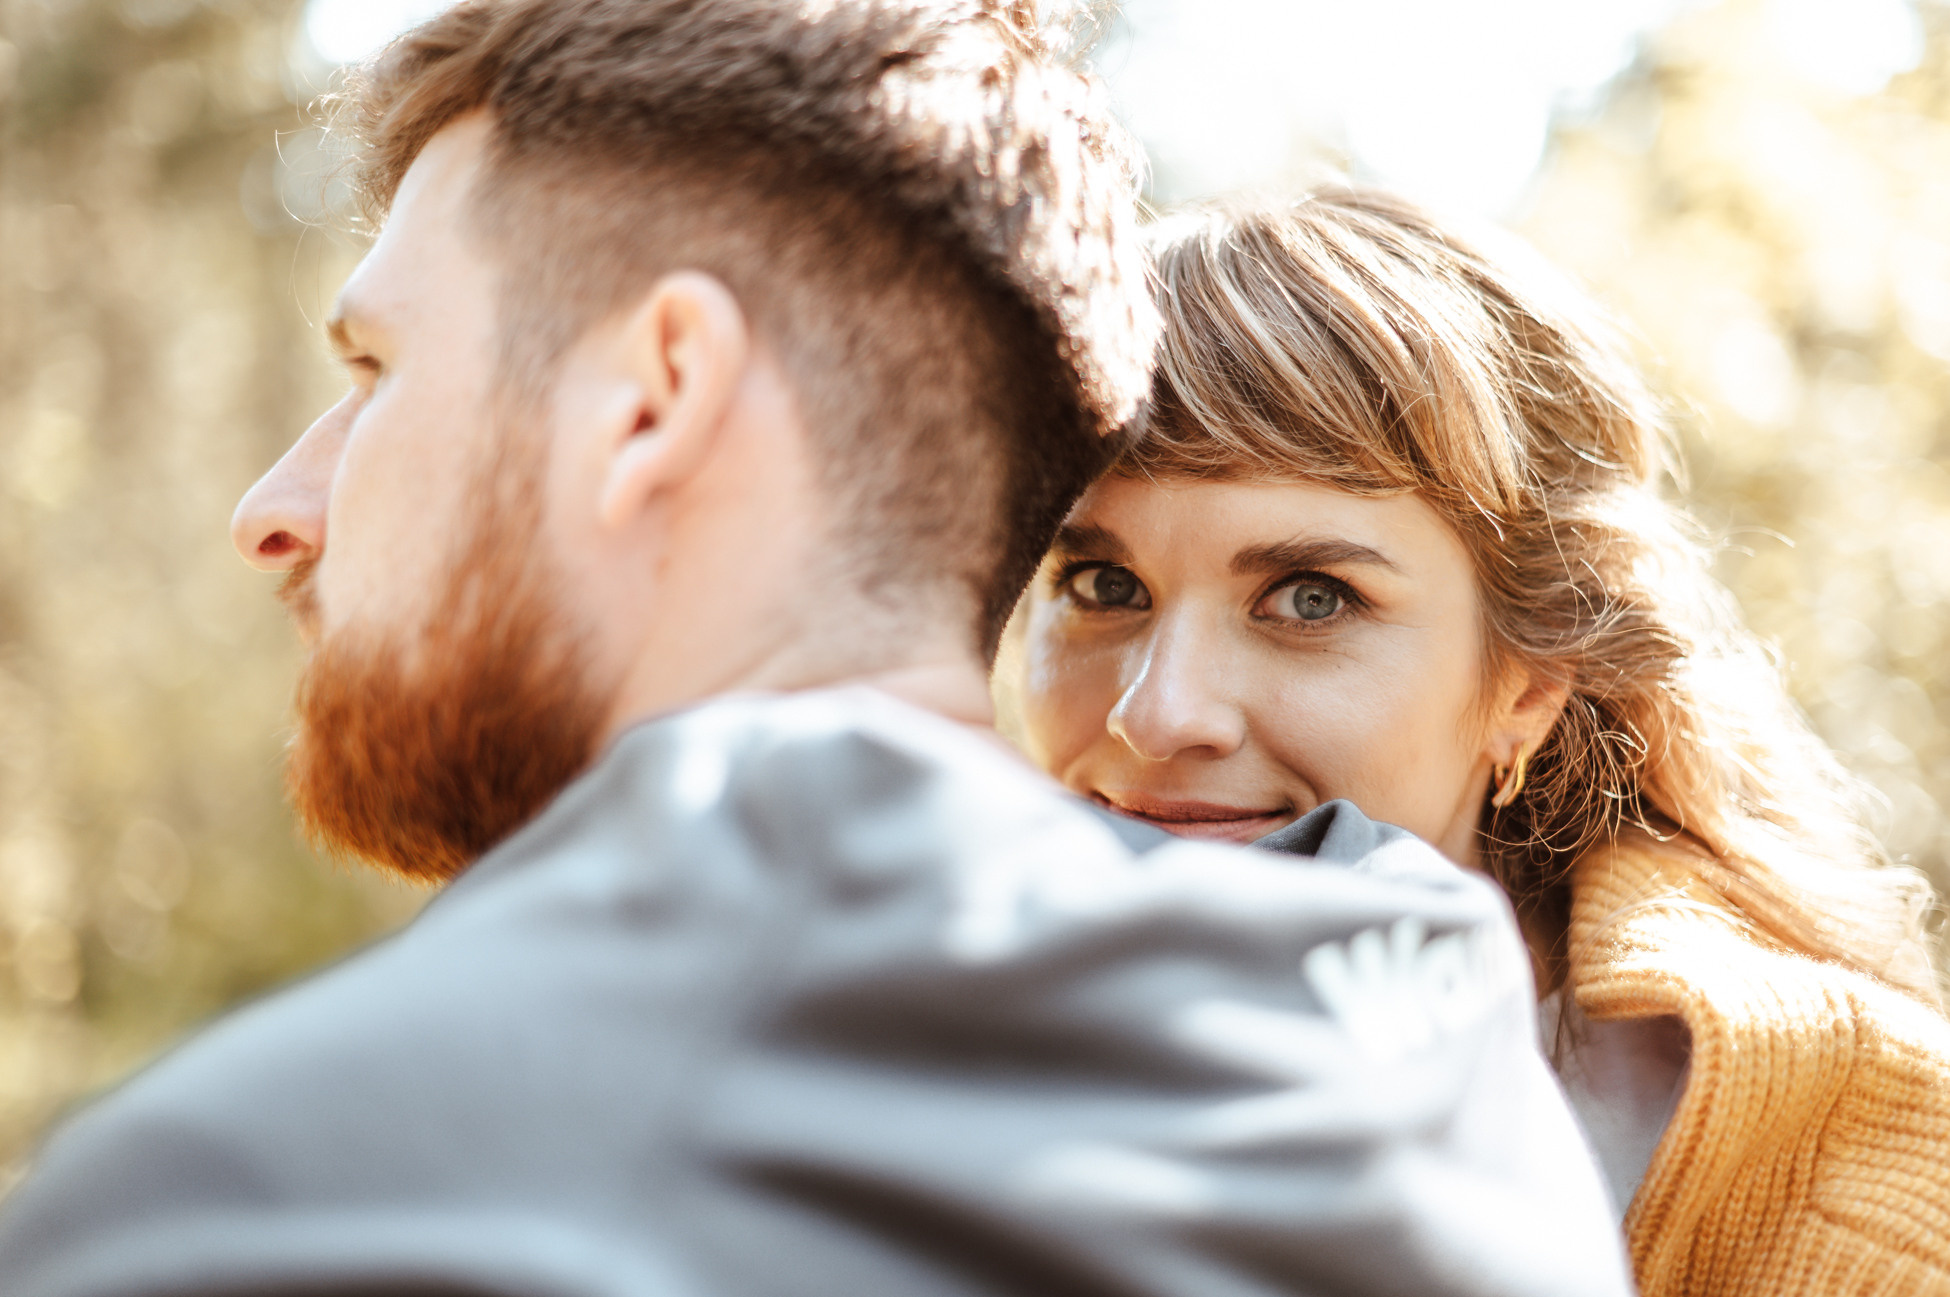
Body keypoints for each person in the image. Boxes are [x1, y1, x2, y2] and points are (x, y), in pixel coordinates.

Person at [0, 6, 1631, 1295]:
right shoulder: (1419, 1028)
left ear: (653, 397)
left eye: (378, 370)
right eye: (1102, 585)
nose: (277, 508)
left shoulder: (247, 1200)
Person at [1014, 186, 1950, 1296]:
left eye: (1311, 598)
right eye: (1103, 583)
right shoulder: (900, 1039)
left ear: (1528, 684)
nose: (1159, 713)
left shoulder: (1877, 1161)